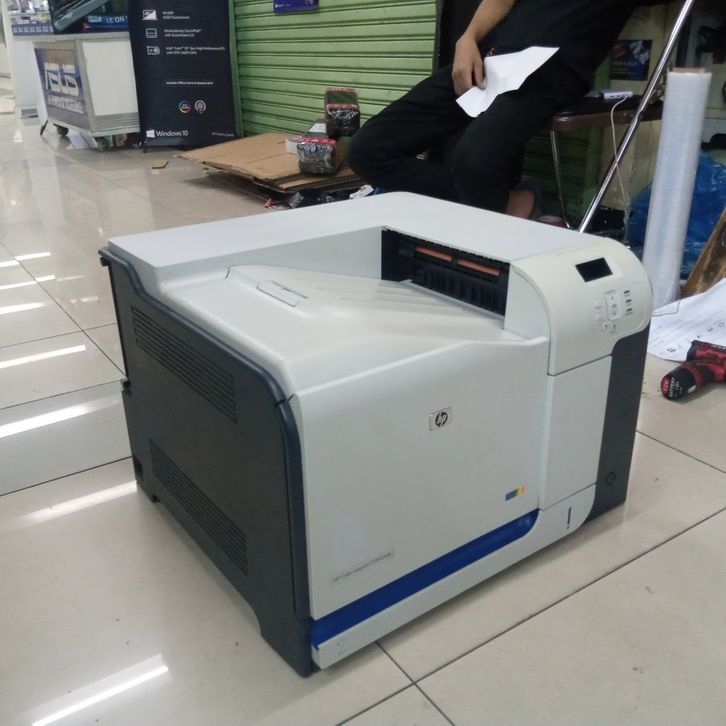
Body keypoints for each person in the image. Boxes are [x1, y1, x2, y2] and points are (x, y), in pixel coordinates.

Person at [348, 0, 668, 218]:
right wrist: (467, 39)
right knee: (367, 150)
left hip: (549, 67)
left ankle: (492, 221)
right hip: (487, 58)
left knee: (474, 161)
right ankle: (509, 203)